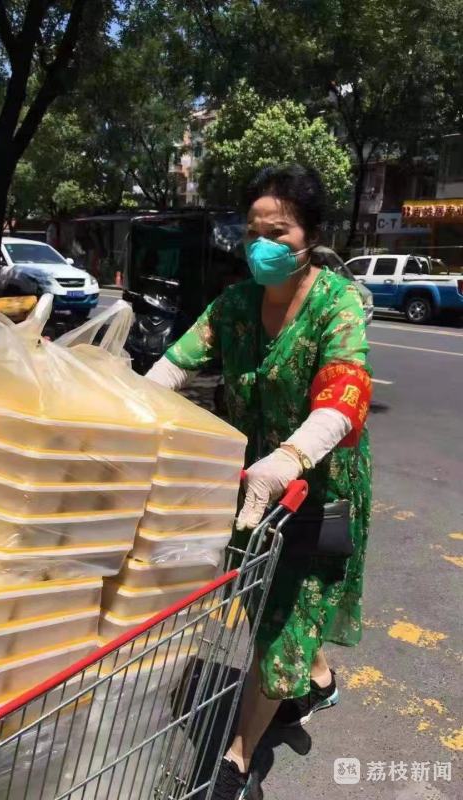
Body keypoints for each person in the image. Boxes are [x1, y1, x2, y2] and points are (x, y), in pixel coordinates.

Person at [146, 165, 372, 800]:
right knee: (260, 598)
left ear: (310, 238)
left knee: (281, 625)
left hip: (315, 490)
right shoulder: (235, 304)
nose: (263, 245)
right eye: (253, 232)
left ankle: (237, 763)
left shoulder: (338, 303)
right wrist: (124, 407)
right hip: (249, 490)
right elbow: (173, 366)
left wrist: (291, 456)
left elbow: (345, 394)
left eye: (279, 232)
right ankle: (317, 679)